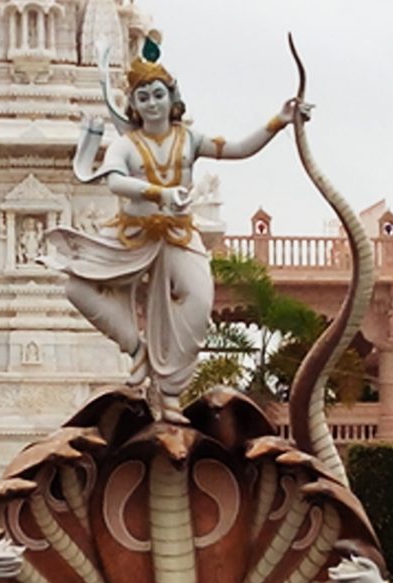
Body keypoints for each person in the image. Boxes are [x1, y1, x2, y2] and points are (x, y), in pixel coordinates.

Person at [44, 34, 310, 423]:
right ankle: (136, 349)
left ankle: (168, 392)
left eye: (157, 94)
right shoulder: (127, 146)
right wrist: (160, 193)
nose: (152, 103)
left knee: (200, 307)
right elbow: (116, 182)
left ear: (172, 98)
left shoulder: (189, 139)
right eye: (143, 97)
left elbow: (238, 148)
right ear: (132, 106)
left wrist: (279, 121)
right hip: (131, 234)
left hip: (179, 236)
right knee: (75, 286)